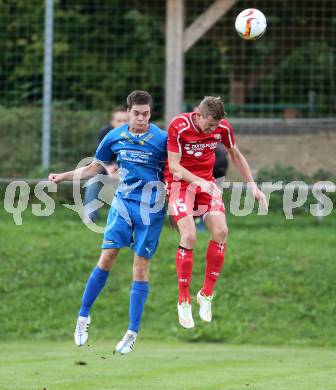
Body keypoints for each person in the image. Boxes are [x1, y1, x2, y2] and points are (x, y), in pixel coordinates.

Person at [49, 91, 167, 354]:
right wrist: (64, 175)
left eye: (145, 113)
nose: (140, 118)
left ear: (151, 113)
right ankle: (83, 316)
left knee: (140, 266)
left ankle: (132, 331)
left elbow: (174, 171)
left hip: (152, 209)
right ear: (128, 112)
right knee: (107, 257)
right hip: (123, 204)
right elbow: (94, 168)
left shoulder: (161, 139)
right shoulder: (114, 137)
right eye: (136, 113)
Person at [164, 96, 267, 329]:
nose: (212, 130)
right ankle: (183, 299)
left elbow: (236, 155)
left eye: (215, 126)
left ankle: (206, 294)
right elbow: (174, 166)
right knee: (189, 236)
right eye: (209, 125)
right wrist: (199, 182)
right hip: (179, 184)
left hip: (205, 184)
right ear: (198, 115)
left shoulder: (222, 127)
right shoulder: (179, 127)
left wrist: (252, 185)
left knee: (221, 232)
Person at [83, 106, 128, 222]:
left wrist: (118, 169)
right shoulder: (105, 133)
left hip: (128, 172)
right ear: (112, 122)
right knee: (93, 180)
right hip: (106, 170)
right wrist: (108, 168)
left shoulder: (134, 136)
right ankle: (90, 216)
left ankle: (127, 218)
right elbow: (98, 159)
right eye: (119, 121)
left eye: (125, 121)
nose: (122, 124)